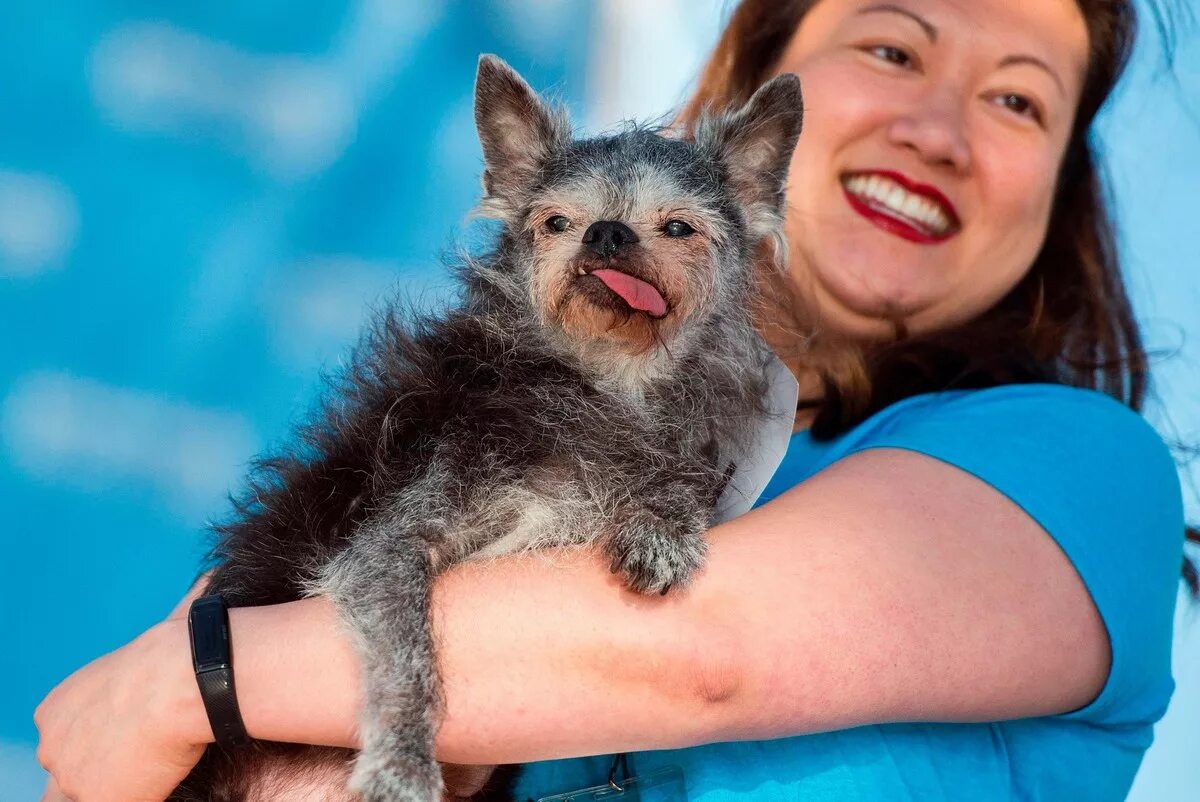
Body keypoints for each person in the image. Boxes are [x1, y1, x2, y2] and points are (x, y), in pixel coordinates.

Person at [35, 0, 1195, 800]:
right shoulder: (481, 406)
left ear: (1057, 194)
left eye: (1019, 103)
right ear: (749, 98)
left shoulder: (1076, 468)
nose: (937, 129)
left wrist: (193, 679)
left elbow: (699, 648)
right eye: (894, 50)